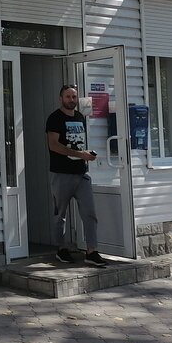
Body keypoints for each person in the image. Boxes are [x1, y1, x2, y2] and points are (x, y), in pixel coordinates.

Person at [46, 84, 108, 268]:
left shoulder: (80, 117)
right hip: (61, 173)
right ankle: (61, 249)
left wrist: (86, 155)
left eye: (74, 97)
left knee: (90, 213)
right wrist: (81, 154)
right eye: (67, 96)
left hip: (81, 173)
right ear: (61, 98)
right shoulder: (55, 118)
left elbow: (79, 144)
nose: (71, 100)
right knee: (60, 215)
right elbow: (53, 145)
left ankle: (91, 251)